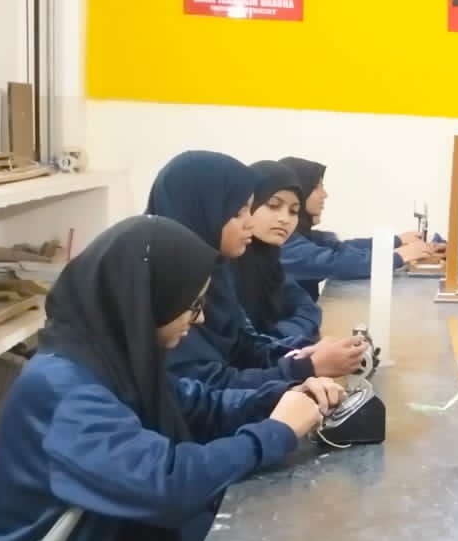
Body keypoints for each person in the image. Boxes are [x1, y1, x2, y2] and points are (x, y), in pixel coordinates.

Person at [0, 215, 344, 541]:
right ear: (146, 300)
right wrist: (274, 434)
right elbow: (165, 485)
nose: (201, 318)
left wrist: (278, 398)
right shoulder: (63, 389)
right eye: (192, 305)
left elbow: (197, 403)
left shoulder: (110, 358)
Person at [148, 151, 366, 388]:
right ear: (202, 210)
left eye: (293, 211)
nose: (250, 222)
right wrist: (303, 367)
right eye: (239, 211)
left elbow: (246, 344)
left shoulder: (216, 271)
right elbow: (207, 391)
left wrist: (303, 352)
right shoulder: (166, 289)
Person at [278, 156, 434, 300]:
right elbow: (336, 262)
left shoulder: (301, 237)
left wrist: (397, 241)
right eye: (317, 187)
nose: (324, 194)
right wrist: (399, 256)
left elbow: (340, 248)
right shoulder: (284, 244)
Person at [230, 160, 321, 341]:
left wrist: (277, 338)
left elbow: (309, 309)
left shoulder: (271, 261)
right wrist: (275, 342)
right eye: (273, 205)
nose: (284, 219)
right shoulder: (224, 265)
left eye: (293, 211)